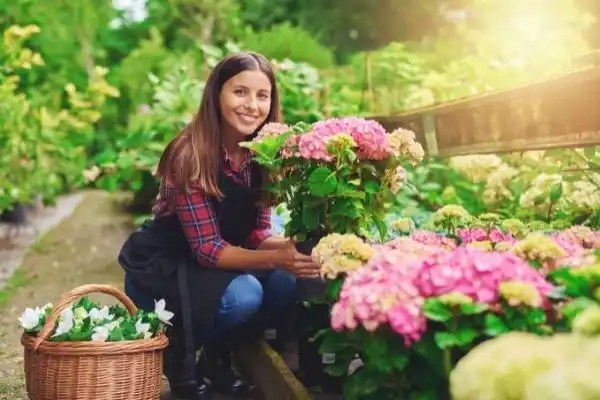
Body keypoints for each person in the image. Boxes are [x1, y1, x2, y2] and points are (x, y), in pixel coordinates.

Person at [118, 51, 320, 400]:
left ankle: (218, 355)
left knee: (289, 281)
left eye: (262, 95)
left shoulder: (263, 152)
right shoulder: (190, 154)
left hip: (218, 265)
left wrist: (298, 249)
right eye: (239, 92)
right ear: (216, 94)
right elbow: (207, 249)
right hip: (166, 270)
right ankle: (180, 357)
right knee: (246, 294)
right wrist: (277, 259)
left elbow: (257, 234)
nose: (252, 105)